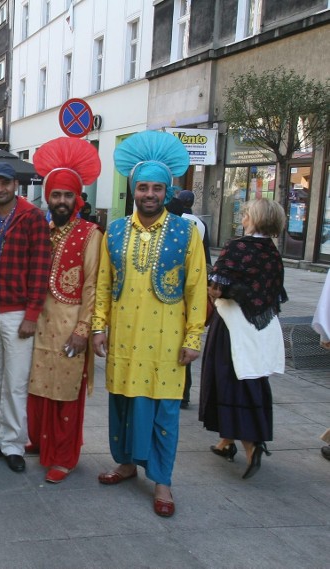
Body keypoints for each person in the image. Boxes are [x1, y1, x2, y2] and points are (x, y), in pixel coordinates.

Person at [92, 130, 206, 518]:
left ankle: (162, 481)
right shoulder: (117, 230)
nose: (150, 195)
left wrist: (194, 336)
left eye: (157, 188)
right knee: (122, 404)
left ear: (167, 191)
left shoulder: (185, 232)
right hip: (124, 338)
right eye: (143, 187)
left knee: (164, 412)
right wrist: (97, 326)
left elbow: (196, 287)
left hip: (167, 342)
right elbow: (104, 283)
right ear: (133, 189)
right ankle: (125, 464)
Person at [26, 137, 102, 483]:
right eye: (55, 195)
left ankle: (64, 456)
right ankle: (42, 443)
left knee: (66, 393)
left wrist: (84, 330)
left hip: (71, 326)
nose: (60, 201)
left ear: (77, 198)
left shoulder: (90, 234)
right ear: (47, 196)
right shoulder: (43, 229)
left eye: (67, 195)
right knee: (40, 386)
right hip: (40, 324)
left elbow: (93, 284)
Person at [200, 198, 287, 479]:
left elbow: (218, 286)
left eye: (246, 213)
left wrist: (213, 290)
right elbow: (273, 292)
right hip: (260, 327)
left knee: (227, 379)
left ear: (255, 218)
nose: (243, 217)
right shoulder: (273, 252)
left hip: (232, 325)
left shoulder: (238, 246)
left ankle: (250, 443)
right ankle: (227, 441)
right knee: (253, 379)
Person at [0, 162, 51, 473]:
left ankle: (13, 443)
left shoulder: (32, 217)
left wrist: (32, 314)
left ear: (15, 185)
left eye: (4, 183)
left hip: (17, 311)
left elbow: (40, 268)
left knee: (15, 382)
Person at [168, 188, 212, 409]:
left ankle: (180, 390)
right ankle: (184, 392)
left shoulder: (178, 226)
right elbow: (206, 255)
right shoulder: (199, 224)